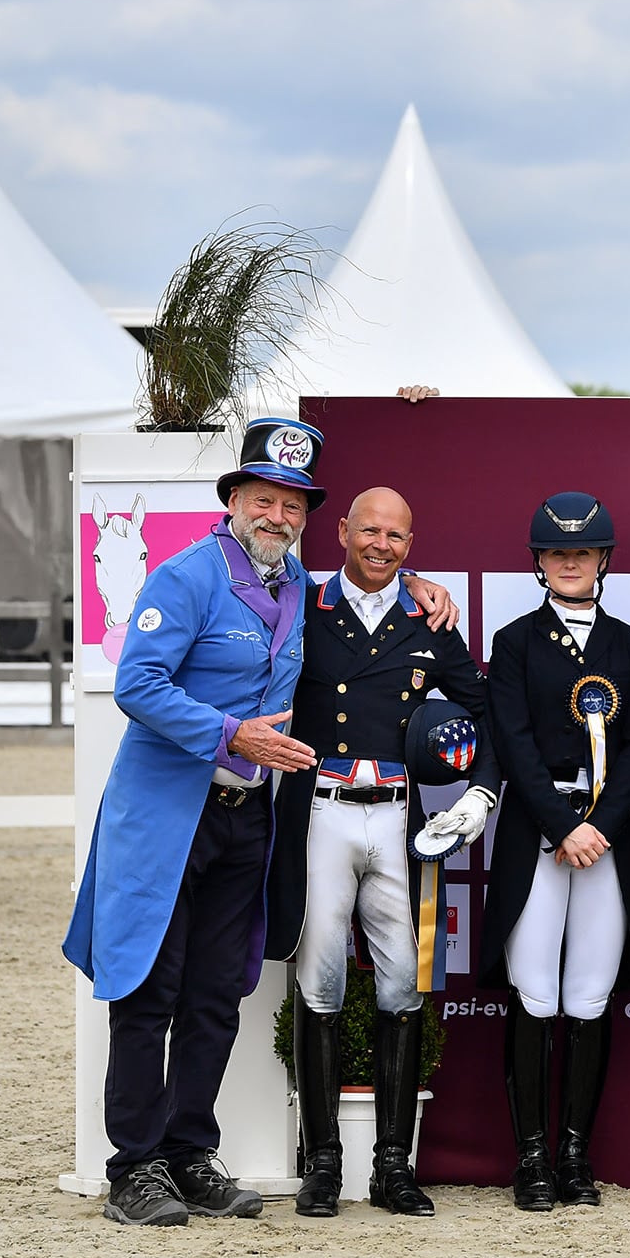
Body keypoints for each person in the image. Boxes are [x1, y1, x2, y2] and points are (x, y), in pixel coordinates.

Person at [64, 418, 455, 1227]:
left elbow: (368, 581)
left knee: (214, 994)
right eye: (264, 499)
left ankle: (187, 1153)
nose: (277, 515)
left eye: (292, 505)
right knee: (148, 990)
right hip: (170, 814)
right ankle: (132, 1165)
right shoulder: (185, 575)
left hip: (248, 819)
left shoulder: (294, 586)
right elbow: (135, 682)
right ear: (234, 498)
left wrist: (414, 580)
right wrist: (228, 733)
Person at [266, 486, 502, 1218]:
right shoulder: (300, 603)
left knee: (404, 984)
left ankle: (395, 1165)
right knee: (321, 981)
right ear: (340, 531)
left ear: (411, 541)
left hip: (400, 817)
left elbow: (485, 708)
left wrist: (480, 793)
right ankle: (323, 1161)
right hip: (324, 811)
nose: (381, 544)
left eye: (395, 535)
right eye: (369, 529)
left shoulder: (427, 618)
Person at [481, 493, 630, 1211]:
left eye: (582, 552)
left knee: (589, 992)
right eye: (557, 552)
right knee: (534, 989)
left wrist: (599, 824)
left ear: (604, 558)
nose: (570, 561)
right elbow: (513, 742)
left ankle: (575, 1155)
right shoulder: (515, 641)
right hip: (539, 828)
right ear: (539, 563)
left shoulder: (627, 643)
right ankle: (531, 1160)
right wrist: (562, 825)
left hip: (605, 835)